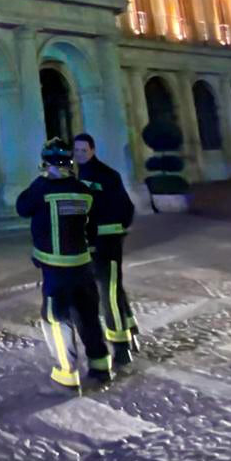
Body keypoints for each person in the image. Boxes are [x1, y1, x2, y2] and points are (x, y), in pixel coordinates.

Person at [17, 140, 112, 389]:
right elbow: (91, 228)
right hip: (82, 265)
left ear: (45, 162)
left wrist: (41, 179)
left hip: (55, 268)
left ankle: (66, 373)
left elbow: (22, 207)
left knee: (56, 319)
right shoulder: (83, 190)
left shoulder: (42, 188)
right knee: (89, 315)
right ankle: (101, 365)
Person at [74, 132, 139, 365]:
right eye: (77, 150)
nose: (80, 154)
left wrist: (116, 231)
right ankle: (130, 328)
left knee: (108, 292)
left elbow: (125, 208)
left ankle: (121, 346)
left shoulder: (106, 175)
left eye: (83, 150)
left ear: (92, 150)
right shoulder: (78, 176)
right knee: (114, 288)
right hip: (92, 243)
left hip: (107, 243)